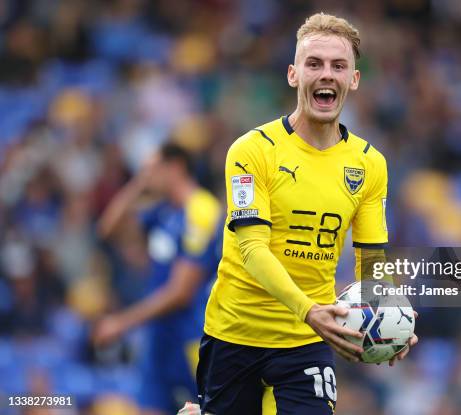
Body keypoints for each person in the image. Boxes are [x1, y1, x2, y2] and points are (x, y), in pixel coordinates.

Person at [198, 12, 418, 415]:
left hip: (307, 345)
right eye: (314, 64)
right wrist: (310, 310)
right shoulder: (252, 151)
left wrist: (389, 318)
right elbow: (251, 249)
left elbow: (371, 262)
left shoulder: (370, 164)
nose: (326, 74)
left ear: (353, 79)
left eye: (338, 66)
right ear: (293, 75)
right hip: (234, 334)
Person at [93, 143, 223, 415]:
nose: (148, 175)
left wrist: (122, 322)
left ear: (175, 167)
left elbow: (181, 292)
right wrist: (138, 184)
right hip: (158, 338)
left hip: (194, 339)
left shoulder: (201, 210)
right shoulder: (163, 211)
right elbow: (107, 229)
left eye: (152, 168)